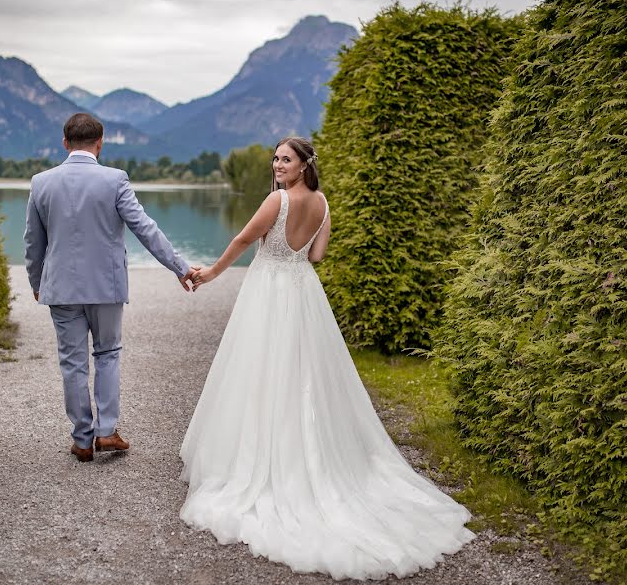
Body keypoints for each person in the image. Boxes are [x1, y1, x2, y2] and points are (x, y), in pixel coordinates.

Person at [180, 136, 475, 580]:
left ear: (302, 165)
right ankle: (307, 449)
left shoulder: (277, 200)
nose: (278, 165)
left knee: (261, 369)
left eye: (286, 159)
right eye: (276, 158)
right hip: (302, 294)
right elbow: (316, 255)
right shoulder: (322, 203)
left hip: (268, 293)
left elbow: (244, 238)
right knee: (301, 373)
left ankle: (262, 458)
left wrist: (210, 273)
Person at [24, 113, 196, 463]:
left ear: (64, 142)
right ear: (100, 143)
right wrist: (180, 267)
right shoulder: (115, 180)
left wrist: (36, 281)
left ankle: (82, 440)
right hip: (106, 286)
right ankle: (106, 432)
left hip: (60, 288)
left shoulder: (41, 182)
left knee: (72, 363)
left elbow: (32, 243)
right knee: (107, 354)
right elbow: (145, 228)